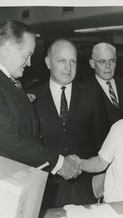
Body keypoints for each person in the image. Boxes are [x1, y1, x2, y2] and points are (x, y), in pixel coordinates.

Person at [0, 20, 81, 181]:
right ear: (8, 48)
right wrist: (59, 162)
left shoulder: (5, 78)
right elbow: (11, 140)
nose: (29, 63)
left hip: (13, 176)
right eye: (27, 55)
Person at [30, 39, 107, 208]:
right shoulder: (31, 97)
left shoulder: (91, 95)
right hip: (47, 187)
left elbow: (101, 142)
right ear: (48, 62)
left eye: (73, 61)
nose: (68, 67)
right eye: (62, 61)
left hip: (84, 187)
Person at [87, 42, 123, 135]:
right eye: (102, 61)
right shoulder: (86, 90)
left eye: (111, 61)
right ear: (92, 64)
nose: (108, 66)